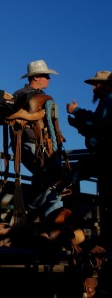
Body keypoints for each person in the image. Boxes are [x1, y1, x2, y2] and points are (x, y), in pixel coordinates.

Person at [11, 60, 65, 221]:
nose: (49, 79)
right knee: (52, 180)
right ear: (36, 77)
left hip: (42, 145)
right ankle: (49, 221)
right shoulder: (21, 96)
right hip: (30, 143)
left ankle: (35, 216)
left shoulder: (41, 97)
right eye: (46, 76)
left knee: (46, 180)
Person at [66, 71, 112, 250]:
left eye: (96, 84)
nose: (93, 88)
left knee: (74, 174)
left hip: (106, 159)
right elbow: (96, 126)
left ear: (106, 85)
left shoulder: (109, 101)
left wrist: (76, 112)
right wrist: (79, 122)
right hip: (104, 158)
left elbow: (97, 125)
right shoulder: (106, 102)